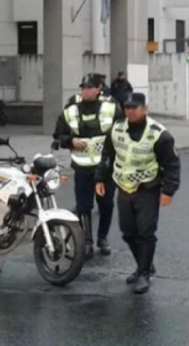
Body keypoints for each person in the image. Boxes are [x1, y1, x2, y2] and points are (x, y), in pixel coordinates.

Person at [96, 93, 181, 294]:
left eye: (135, 108)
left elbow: (171, 165)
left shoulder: (159, 134)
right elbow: (107, 156)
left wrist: (168, 190)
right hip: (123, 187)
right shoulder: (116, 130)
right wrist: (100, 178)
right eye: (127, 108)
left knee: (145, 232)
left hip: (147, 188)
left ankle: (143, 273)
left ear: (145, 109)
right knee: (128, 232)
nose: (130, 111)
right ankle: (145, 263)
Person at [54, 74, 120, 257]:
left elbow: (123, 132)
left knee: (106, 204)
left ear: (99, 88)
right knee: (84, 206)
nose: (85, 90)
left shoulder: (111, 107)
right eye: (83, 87)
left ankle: (102, 238)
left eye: (89, 87)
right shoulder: (71, 109)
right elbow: (58, 134)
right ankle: (88, 241)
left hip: (105, 168)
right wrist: (70, 140)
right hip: (82, 167)